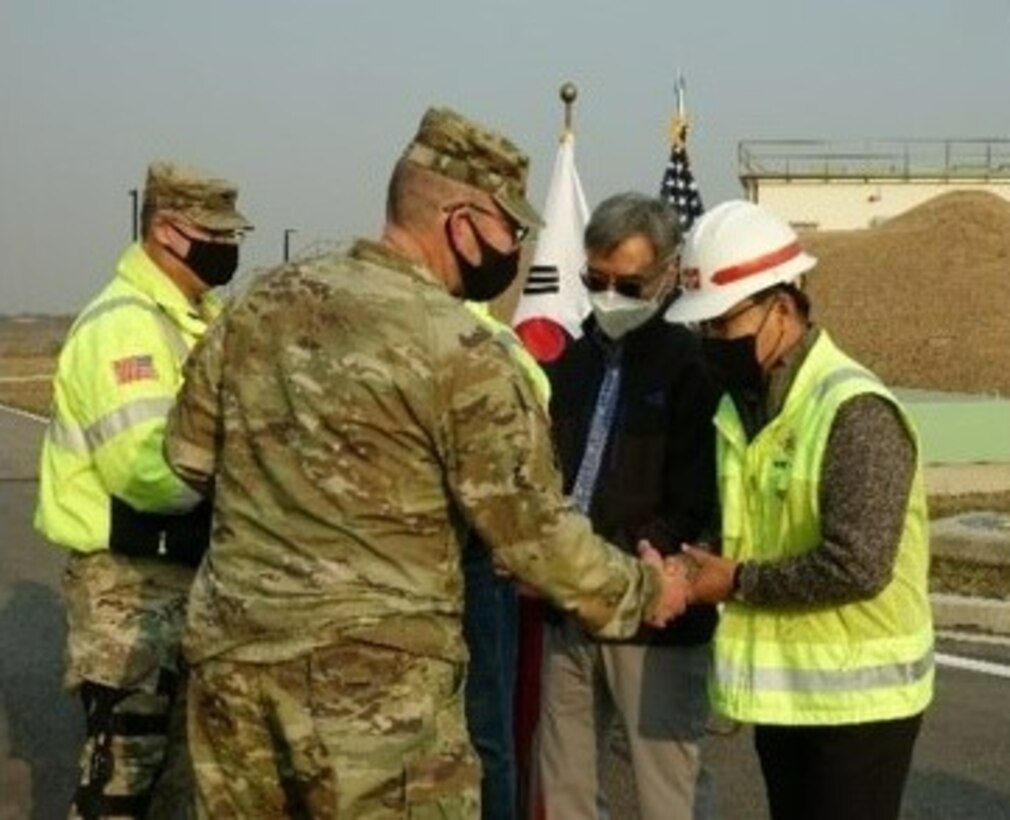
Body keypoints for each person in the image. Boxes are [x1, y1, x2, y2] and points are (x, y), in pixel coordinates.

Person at [163, 105, 690, 819]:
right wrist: (646, 592)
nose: (518, 250)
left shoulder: (256, 304)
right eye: (512, 228)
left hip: (234, 670)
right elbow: (534, 538)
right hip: (374, 698)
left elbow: (188, 458)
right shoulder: (461, 353)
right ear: (464, 222)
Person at [668, 199, 934, 820]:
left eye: (720, 324)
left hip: (863, 710)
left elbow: (859, 564)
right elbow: (744, 525)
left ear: (781, 309)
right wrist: (688, 562)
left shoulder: (854, 410)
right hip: (788, 698)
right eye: (700, 327)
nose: (708, 342)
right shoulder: (744, 407)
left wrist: (734, 581)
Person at [34, 161, 252, 818]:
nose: (227, 248)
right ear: (165, 230)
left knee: (182, 786)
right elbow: (147, 472)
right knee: (120, 785)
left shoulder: (195, 317)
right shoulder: (124, 324)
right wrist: (251, 487)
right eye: (212, 233)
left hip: (188, 582)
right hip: (132, 589)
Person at [536, 192, 720, 820]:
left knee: (666, 792)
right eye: (596, 279)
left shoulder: (693, 366)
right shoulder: (573, 361)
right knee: (565, 788)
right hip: (570, 605)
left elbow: (698, 496)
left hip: (654, 606)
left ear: (667, 273)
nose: (609, 294)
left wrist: (643, 567)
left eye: (629, 282)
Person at [461, 301, 550, 820]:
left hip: (480, 558)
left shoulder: (497, 343)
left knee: (486, 732)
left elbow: (531, 454)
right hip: (419, 563)